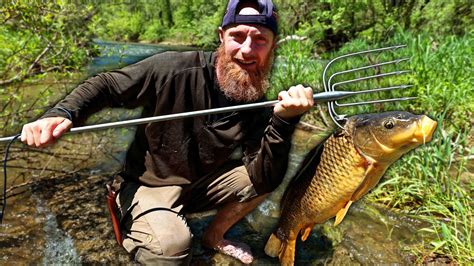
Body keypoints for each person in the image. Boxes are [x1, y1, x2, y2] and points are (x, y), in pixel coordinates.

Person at [20, 0, 314, 264]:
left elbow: (265, 177)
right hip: (149, 184)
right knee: (171, 247)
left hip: (199, 184)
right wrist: (62, 113)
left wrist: (284, 122)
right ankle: (136, 221)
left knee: (263, 169)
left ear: (272, 47)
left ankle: (213, 237)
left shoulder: (258, 101)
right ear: (221, 36)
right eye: (237, 36)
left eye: (259, 40)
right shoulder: (173, 68)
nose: (247, 49)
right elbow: (107, 85)